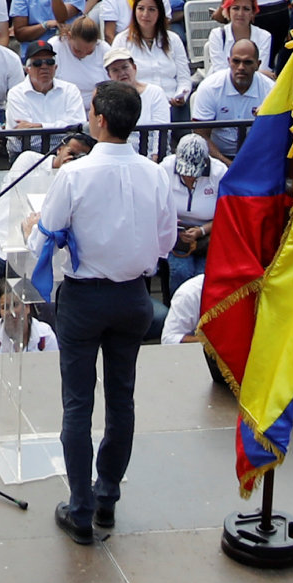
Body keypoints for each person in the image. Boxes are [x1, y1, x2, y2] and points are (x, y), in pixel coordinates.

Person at [27, 79, 183, 546]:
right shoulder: (154, 173)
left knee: (78, 403)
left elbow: (46, 236)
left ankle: (80, 508)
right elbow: (166, 242)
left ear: (97, 119)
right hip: (133, 295)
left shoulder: (74, 175)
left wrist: (32, 226)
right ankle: (107, 497)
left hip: (85, 298)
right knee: (122, 399)